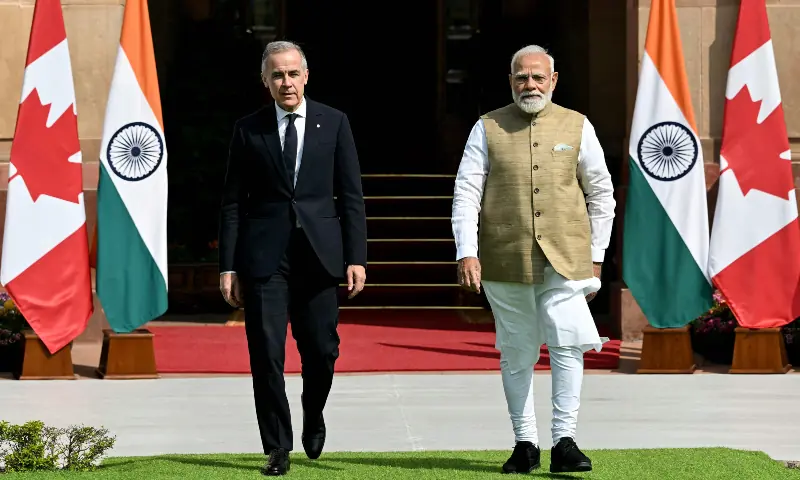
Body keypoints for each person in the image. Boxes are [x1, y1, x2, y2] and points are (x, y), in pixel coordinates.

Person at [451, 44, 615, 474]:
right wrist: (466, 250)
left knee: (567, 343)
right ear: (511, 81)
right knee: (517, 350)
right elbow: (466, 193)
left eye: (538, 77)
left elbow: (601, 194)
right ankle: (525, 442)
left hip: (567, 257)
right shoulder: (486, 127)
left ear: (553, 80)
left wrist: (597, 256)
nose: (530, 84)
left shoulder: (578, 125)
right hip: (504, 258)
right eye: (522, 77)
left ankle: (565, 441)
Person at [218, 40, 367, 476]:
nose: (287, 82)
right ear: (265, 82)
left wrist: (356, 256)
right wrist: (228, 265)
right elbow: (232, 203)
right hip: (265, 259)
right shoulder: (249, 129)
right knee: (266, 354)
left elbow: (351, 196)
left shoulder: (334, 123)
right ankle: (277, 447)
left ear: (306, 76)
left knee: (322, 351)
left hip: (320, 257)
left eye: (293, 73)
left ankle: (313, 412)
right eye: (277, 75)